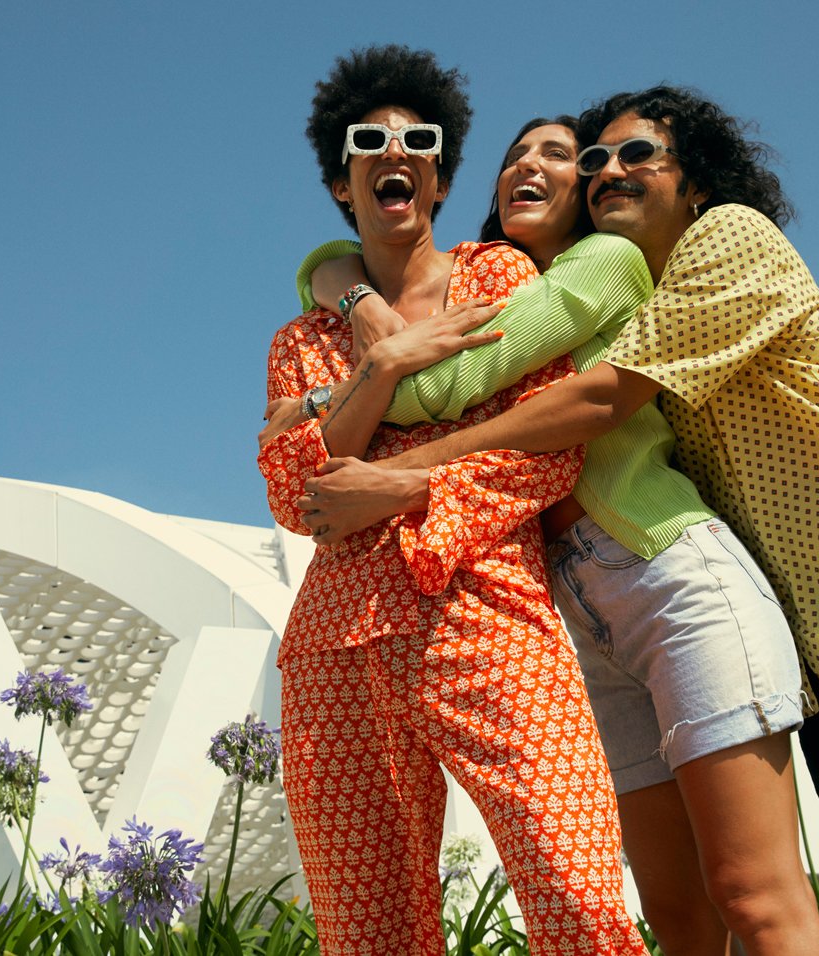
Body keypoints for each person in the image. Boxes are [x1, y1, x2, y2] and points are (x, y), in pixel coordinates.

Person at [295, 85, 819, 953]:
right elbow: (359, 262)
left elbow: (570, 397)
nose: (600, 170)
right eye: (590, 160)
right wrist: (350, 290)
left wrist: (361, 423)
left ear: (699, 179)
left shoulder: (712, 243)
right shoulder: (585, 283)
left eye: (629, 155)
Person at [278, 115, 819, 955]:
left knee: (694, 900)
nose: (530, 168)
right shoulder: (328, 321)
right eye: (516, 155)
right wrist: (355, 303)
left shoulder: (561, 270)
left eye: (563, 157)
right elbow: (294, 488)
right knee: (671, 914)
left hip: (610, 583)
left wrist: (345, 411)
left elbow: (516, 420)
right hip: (532, 605)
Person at [257, 45, 648, 955]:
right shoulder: (299, 338)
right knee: (371, 936)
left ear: (437, 176)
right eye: (369, 143)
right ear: (340, 182)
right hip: (335, 648)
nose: (396, 153)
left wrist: (390, 484)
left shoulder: (499, 279)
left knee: (578, 897)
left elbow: (546, 447)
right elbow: (294, 492)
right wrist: (385, 360)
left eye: (420, 142)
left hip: (486, 611)